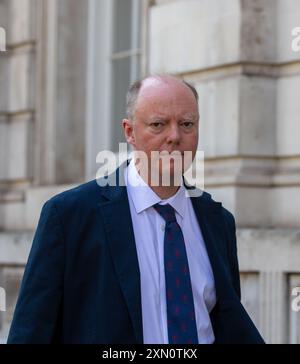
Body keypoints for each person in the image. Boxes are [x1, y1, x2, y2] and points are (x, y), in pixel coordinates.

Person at [7, 75, 264, 344]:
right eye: (158, 124)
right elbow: (30, 332)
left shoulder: (218, 221)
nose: (174, 137)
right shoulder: (69, 217)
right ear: (130, 132)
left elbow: (227, 323)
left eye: (187, 124)